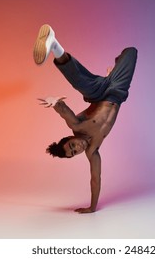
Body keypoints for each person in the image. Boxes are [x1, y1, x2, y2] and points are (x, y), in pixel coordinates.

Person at [33, 24, 137, 213]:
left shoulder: (77, 125)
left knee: (79, 81)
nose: (77, 148)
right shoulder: (93, 151)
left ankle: (53, 43)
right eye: (74, 152)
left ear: (70, 138)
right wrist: (92, 207)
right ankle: (113, 73)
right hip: (117, 92)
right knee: (131, 52)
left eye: (72, 145)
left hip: (98, 92)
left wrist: (54, 101)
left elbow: (64, 112)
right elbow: (95, 178)